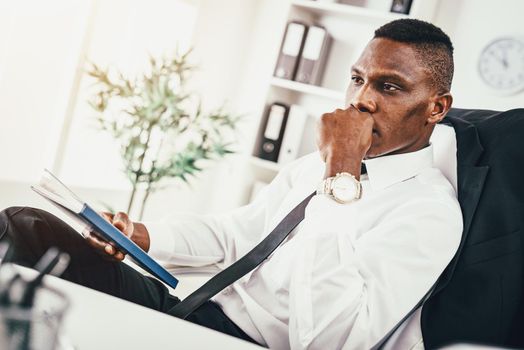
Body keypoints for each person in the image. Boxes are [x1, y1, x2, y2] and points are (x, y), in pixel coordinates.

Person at [0, 19, 463, 349]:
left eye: (389, 87)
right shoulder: (310, 167)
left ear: (436, 108)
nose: (361, 100)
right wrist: (140, 235)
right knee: (24, 227)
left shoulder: (429, 212)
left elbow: (329, 340)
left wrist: (340, 173)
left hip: (238, 341)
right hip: (189, 310)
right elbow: (235, 235)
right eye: (358, 79)